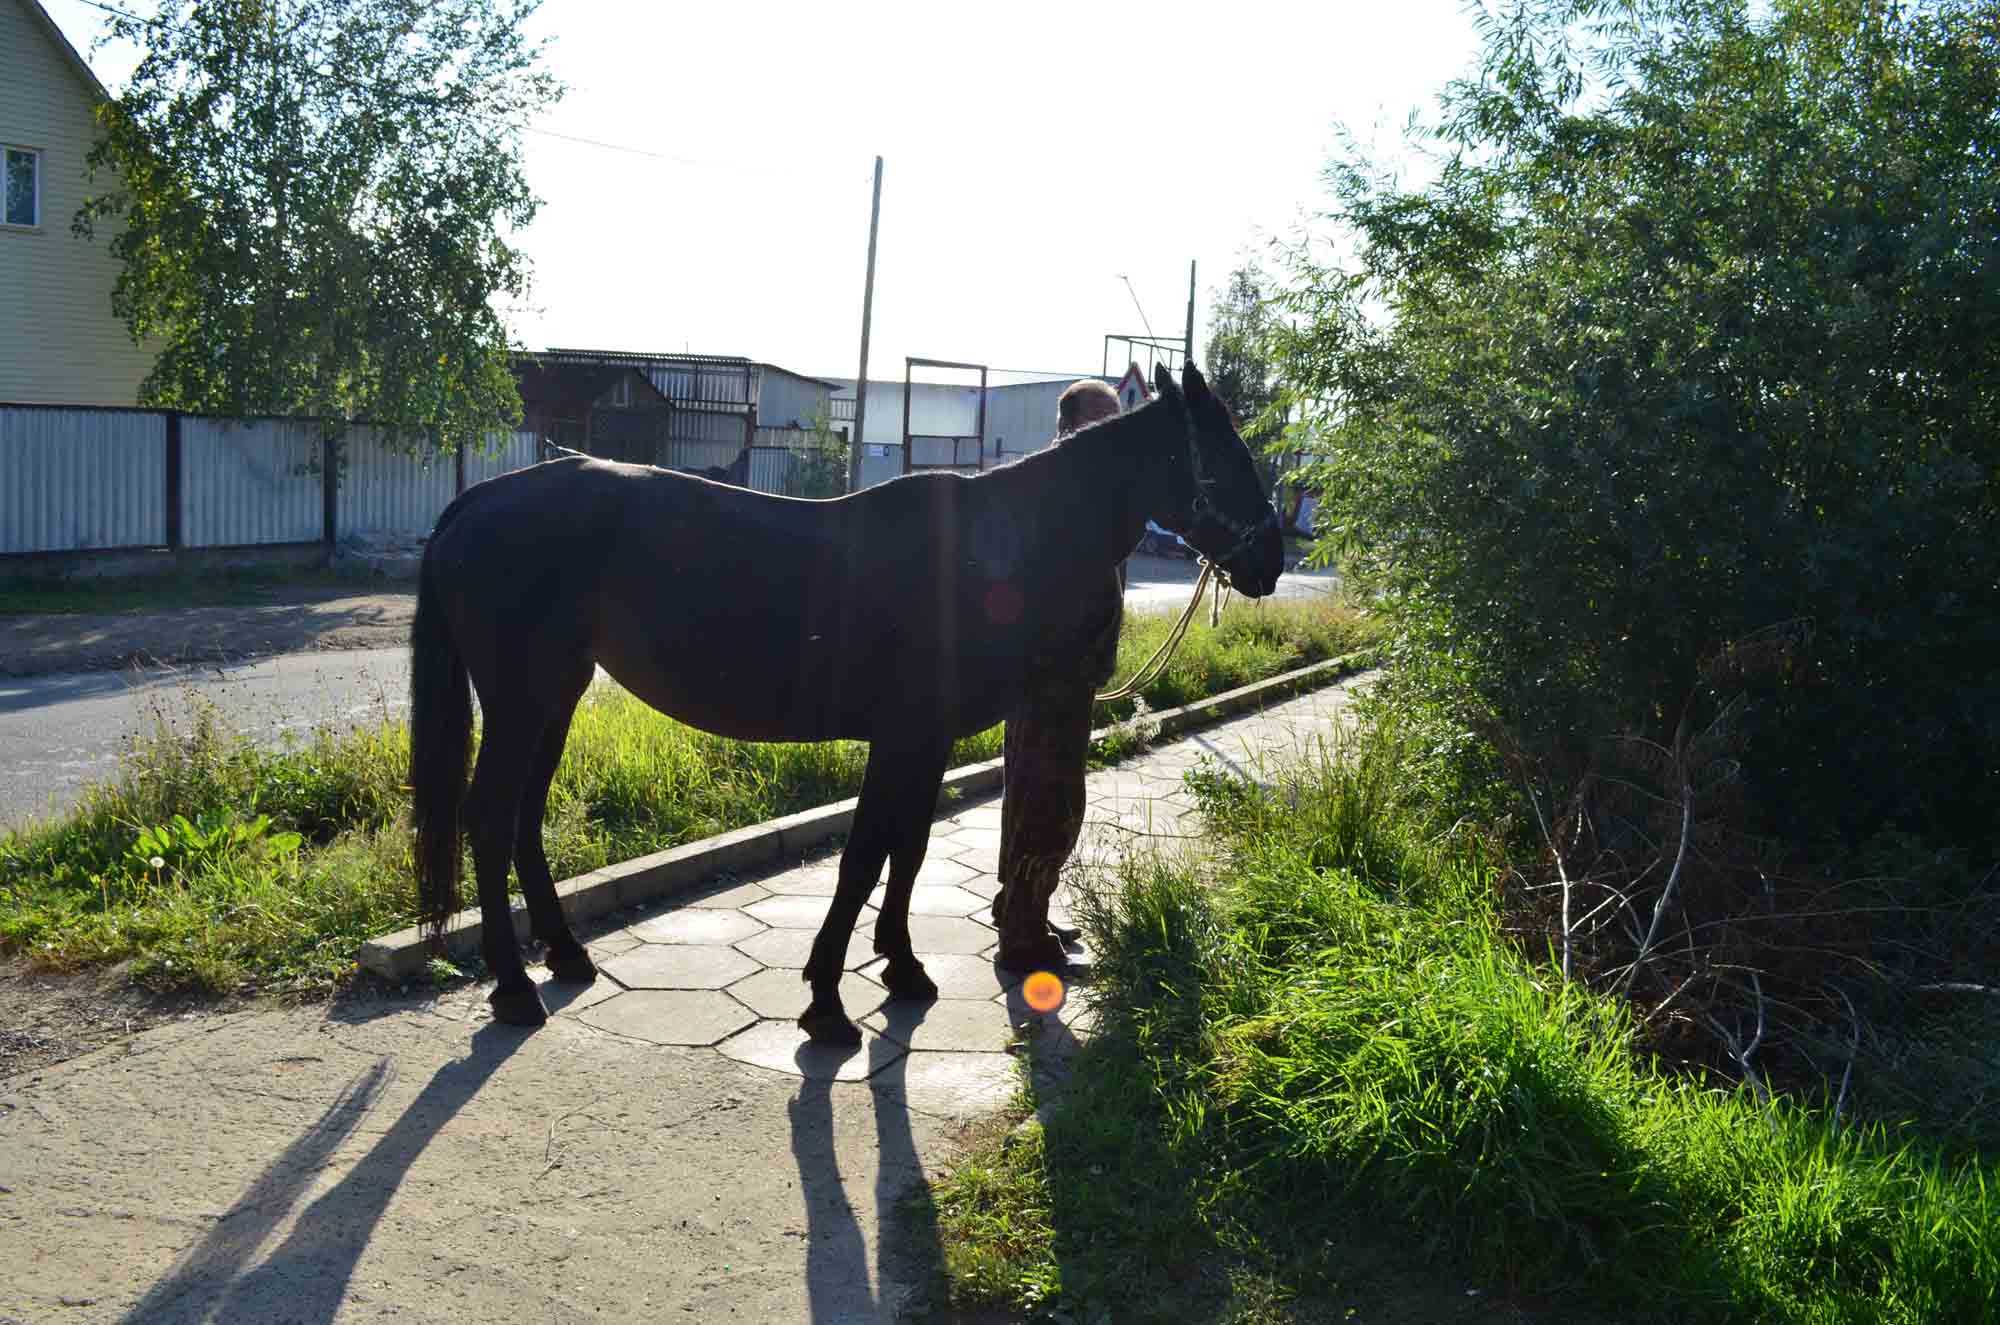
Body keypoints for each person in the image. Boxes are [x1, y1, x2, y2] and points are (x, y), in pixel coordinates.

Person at [991, 378, 1126, 969]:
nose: (1112, 430)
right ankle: (1023, 938)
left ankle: (1022, 907)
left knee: (1032, 791)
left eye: (1116, 419)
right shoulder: (1055, 487)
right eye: (1101, 420)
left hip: (1061, 673)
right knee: (1048, 796)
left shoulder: (1083, 485)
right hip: (1048, 672)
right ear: (1070, 425)